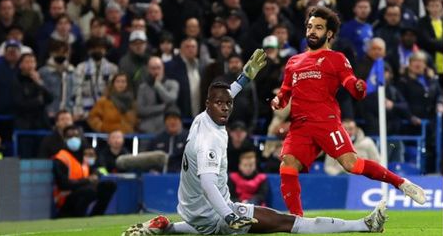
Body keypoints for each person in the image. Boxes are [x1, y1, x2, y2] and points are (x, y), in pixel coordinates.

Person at [124, 59, 388, 235]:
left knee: (207, 225)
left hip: (194, 210)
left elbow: (225, 95)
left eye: (228, 103)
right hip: (214, 213)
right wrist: (229, 216)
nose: (226, 107)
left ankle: (167, 227)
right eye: (220, 104)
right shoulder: (209, 141)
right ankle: (365, 225)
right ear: (208, 104)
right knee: (288, 223)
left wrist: (243, 79)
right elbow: (207, 182)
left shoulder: (200, 119)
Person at [271, 6, 425, 217]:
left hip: (326, 122)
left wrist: (359, 86)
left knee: (351, 164)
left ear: (329, 34)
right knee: (287, 166)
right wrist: (279, 100)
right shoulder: (293, 62)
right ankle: (297, 221)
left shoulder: (336, 59)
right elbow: (285, 92)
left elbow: (351, 84)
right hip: (300, 125)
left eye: (318, 27)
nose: (311, 32)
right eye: (309, 27)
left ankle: (401, 183)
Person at [53, 125, 116, 218]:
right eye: (70, 136)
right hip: (66, 196)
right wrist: (88, 180)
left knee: (109, 186)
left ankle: (96, 216)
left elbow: (96, 167)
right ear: (64, 139)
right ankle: (77, 217)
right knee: (89, 191)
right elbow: (63, 184)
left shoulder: (83, 154)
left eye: (76, 136)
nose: (74, 139)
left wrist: (95, 174)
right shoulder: (61, 158)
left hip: (83, 188)